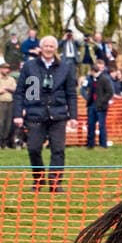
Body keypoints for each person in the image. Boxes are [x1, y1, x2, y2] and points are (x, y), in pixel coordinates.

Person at [16, 35, 78, 193]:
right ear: (41, 48)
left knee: (58, 150)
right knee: (33, 149)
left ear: (55, 49)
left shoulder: (65, 67)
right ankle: (38, 180)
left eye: (51, 46)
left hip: (58, 115)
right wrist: (18, 113)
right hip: (35, 114)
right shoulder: (29, 66)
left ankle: (55, 183)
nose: (49, 49)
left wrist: (73, 116)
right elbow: (20, 92)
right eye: (46, 46)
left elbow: (71, 94)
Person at [85, 59, 114, 149]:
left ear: (93, 71)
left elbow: (110, 92)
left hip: (101, 106)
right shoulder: (91, 79)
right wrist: (88, 99)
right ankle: (90, 144)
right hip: (91, 105)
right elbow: (86, 89)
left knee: (101, 125)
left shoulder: (105, 79)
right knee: (90, 125)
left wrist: (102, 101)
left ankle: (103, 144)